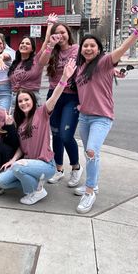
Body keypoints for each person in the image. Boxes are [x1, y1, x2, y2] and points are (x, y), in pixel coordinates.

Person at [73, 22, 138, 214]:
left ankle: (89, 192)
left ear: (98, 49)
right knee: (90, 154)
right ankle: (92, 184)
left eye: (92, 46)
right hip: (84, 117)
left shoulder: (104, 62)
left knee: (91, 152)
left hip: (101, 118)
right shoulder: (79, 68)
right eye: (85, 46)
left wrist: (137, 32)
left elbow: (122, 49)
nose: (87, 48)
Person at [0, 59, 76, 205]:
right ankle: (36, 184)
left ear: (32, 100)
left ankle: (36, 191)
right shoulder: (19, 123)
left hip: (45, 164)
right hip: (28, 163)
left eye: (26, 100)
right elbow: (22, 147)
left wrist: (64, 78)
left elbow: (55, 96)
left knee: (19, 168)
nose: (23, 103)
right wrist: (13, 160)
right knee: (1, 181)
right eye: (20, 101)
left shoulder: (42, 113)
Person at [45, 22, 82, 187]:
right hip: (54, 95)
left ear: (68, 33)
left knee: (66, 135)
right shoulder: (52, 50)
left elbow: (93, 61)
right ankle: (59, 169)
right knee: (56, 134)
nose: (60, 36)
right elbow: (41, 61)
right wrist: (49, 43)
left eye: (63, 32)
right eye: (56, 33)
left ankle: (76, 167)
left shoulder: (76, 49)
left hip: (71, 97)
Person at [8, 13, 58, 109]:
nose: (24, 45)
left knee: (33, 124)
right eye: (22, 43)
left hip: (32, 99)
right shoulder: (15, 63)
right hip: (15, 100)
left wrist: (50, 24)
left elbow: (46, 41)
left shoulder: (37, 60)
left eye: (27, 43)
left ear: (32, 49)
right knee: (15, 124)